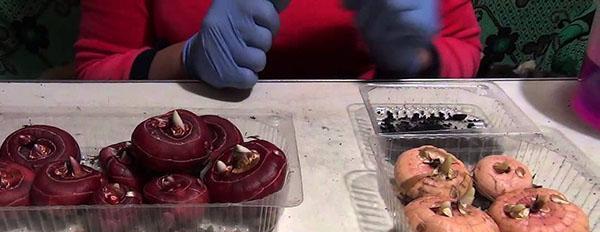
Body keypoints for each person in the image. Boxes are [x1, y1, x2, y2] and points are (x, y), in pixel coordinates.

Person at [75, 0, 481, 88]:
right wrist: (188, 58)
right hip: (194, 133)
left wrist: (413, 59)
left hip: (373, 140)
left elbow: (463, 46)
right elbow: (95, 69)